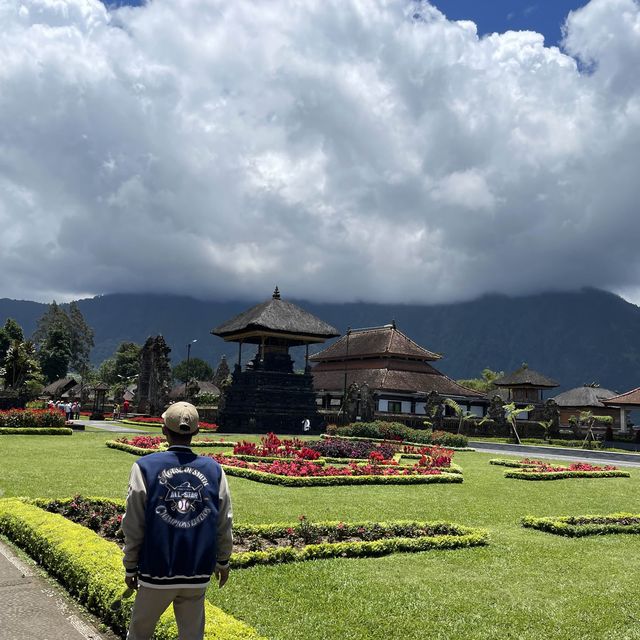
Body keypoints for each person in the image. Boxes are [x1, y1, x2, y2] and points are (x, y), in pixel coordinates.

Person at [121, 401, 233, 640]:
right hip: (196, 570)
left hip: (156, 569)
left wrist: (131, 564)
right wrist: (223, 561)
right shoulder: (214, 470)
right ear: (196, 432)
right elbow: (224, 520)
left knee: (139, 633)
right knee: (192, 636)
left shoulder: (144, 467)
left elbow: (134, 521)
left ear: (163, 429)